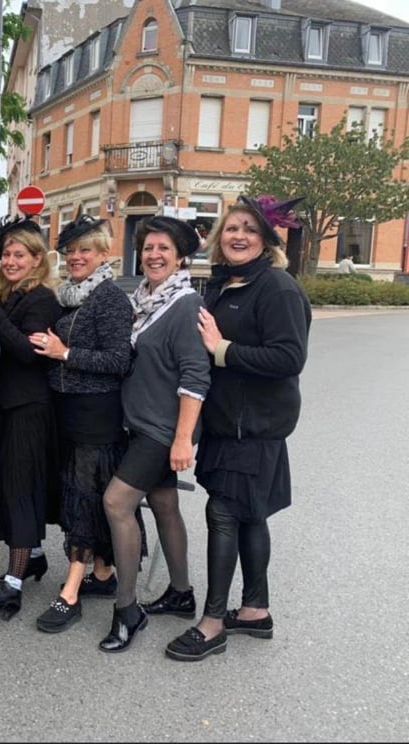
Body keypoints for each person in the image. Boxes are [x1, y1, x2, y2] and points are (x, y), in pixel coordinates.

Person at [165, 194, 311, 662]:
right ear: (219, 236)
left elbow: (289, 357)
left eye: (250, 229)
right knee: (250, 515)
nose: (239, 236)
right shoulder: (227, 283)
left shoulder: (277, 288)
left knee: (224, 514)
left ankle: (211, 624)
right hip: (230, 422)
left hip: (254, 425)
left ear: (267, 240)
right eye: (231, 228)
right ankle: (254, 611)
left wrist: (222, 348)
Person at [98, 216, 210, 653]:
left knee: (116, 503)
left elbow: (195, 376)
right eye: (148, 248)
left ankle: (127, 609)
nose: (154, 255)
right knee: (164, 504)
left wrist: (182, 439)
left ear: (180, 257)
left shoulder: (184, 305)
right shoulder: (143, 299)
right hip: (140, 422)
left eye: (164, 248)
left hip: (162, 430)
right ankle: (181, 593)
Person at [29, 210, 134, 634]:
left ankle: (71, 591)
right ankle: (103, 574)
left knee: (84, 498)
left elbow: (119, 360)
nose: (75, 257)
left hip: (96, 414)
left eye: (85, 250)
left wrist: (65, 354)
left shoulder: (110, 298)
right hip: (67, 410)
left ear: (104, 254)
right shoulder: (71, 295)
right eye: (70, 250)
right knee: (87, 493)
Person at [0, 215, 62, 621]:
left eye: (20, 254)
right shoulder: (10, 297)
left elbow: (27, 352)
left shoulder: (42, 299)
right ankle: (33, 556)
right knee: (8, 488)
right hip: (5, 408)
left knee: (20, 492)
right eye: (6, 254)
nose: (10, 261)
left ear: (37, 259)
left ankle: (13, 586)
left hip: (29, 409)